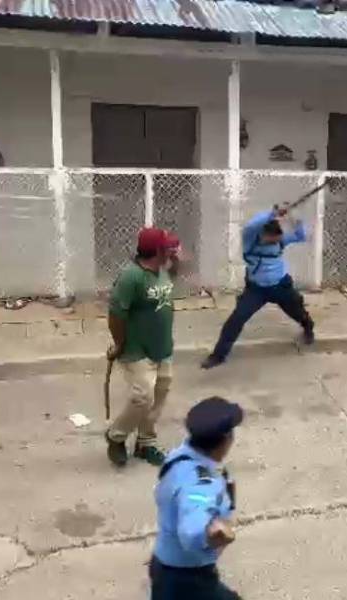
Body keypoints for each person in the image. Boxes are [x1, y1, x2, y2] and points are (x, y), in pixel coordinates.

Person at [150, 396, 244, 600]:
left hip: (165, 563)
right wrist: (216, 534)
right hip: (187, 577)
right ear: (226, 439)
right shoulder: (200, 484)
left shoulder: (181, 455)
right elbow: (191, 532)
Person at [201, 205, 314, 370]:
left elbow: (300, 235)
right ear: (262, 234)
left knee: (298, 310)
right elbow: (251, 225)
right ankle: (218, 356)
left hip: (281, 286)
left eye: (278, 239)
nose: (276, 242)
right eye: (272, 239)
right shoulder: (250, 239)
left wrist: (293, 217)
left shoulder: (280, 240)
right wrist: (272, 213)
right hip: (256, 290)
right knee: (236, 319)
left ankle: (308, 327)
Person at [105, 227, 181, 467]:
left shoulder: (162, 270)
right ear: (157, 250)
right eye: (168, 247)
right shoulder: (131, 277)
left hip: (163, 347)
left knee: (159, 394)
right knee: (142, 397)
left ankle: (145, 443)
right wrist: (120, 344)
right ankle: (116, 437)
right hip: (137, 350)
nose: (172, 249)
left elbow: (173, 277)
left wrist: (176, 261)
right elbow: (116, 315)